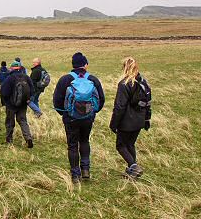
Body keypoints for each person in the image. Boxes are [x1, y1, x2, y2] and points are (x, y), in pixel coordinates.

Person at [53, 52, 105, 183]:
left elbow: (57, 101)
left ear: (73, 65)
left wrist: (65, 113)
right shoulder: (93, 79)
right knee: (84, 141)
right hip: (88, 118)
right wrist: (92, 113)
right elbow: (101, 100)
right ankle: (86, 170)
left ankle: (75, 175)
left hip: (70, 118)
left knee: (72, 145)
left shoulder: (65, 79)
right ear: (85, 64)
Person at [110, 57, 152, 179]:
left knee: (121, 145)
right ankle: (132, 172)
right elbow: (148, 103)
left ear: (124, 68)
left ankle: (134, 166)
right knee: (130, 144)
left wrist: (113, 124)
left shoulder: (124, 84)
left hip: (126, 122)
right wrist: (146, 120)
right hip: (139, 120)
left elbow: (119, 107)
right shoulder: (143, 82)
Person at [1, 61, 34, 148]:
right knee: (23, 121)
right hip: (23, 105)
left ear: (11, 68)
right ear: (20, 68)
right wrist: (27, 99)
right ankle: (28, 138)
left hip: (11, 105)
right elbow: (32, 90)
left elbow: (4, 92)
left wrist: (7, 101)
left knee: (9, 122)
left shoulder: (10, 78)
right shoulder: (26, 77)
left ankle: (9, 140)